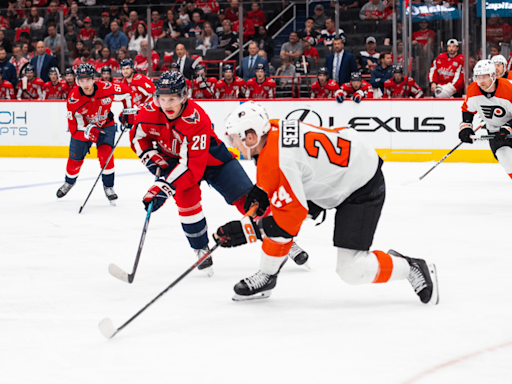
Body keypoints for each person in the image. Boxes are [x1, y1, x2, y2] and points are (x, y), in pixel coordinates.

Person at [216, 101, 439, 305]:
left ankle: (411, 267)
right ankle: (268, 275)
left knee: (351, 269)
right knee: (277, 215)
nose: (233, 145)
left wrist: (249, 232)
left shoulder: (281, 161)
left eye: (234, 139)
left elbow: (289, 221)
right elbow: (281, 165)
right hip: (341, 164)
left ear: (251, 136)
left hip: (360, 184)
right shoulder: (273, 128)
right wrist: (264, 190)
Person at [128, 71, 252, 276]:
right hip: (176, 162)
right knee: (187, 203)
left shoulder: (197, 119)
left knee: (246, 196)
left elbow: (192, 167)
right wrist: (151, 157)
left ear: (184, 96)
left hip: (213, 160)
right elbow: (138, 138)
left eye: (173, 98)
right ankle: (201, 248)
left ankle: (277, 235)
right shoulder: (148, 111)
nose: (167, 104)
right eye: (162, 98)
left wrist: (164, 187)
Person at [56, 63, 133, 203]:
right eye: (81, 80)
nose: (85, 83)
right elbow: (74, 128)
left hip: (106, 125)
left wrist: (128, 112)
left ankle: (109, 187)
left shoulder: (107, 88)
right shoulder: (74, 99)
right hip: (82, 131)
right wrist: (88, 131)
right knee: (74, 162)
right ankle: (69, 182)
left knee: (106, 155)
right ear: (77, 81)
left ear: (94, 79)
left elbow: (127, 93)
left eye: (88, 79)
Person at [458, 60, 512, 181]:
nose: (481, 81)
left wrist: (508, 127)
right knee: (506, 159)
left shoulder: (509, 89)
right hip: (495, 131)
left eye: (485, 76)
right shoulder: (473, 90)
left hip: (509, 126)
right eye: (478, 77)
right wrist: (466, 126)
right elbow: (468, 110)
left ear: (493, 75)